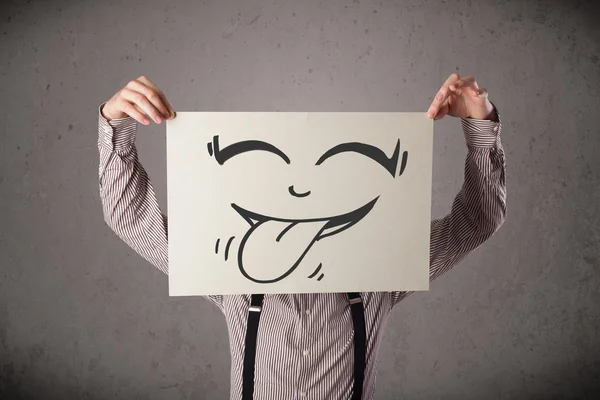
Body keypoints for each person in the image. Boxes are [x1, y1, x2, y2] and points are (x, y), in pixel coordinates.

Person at [97, 73, 506, 400]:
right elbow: (129, 217)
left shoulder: (382, 266)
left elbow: (478, 219)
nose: (302, 193)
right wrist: (118, 125)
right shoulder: (230, 272)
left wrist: (480, 124)